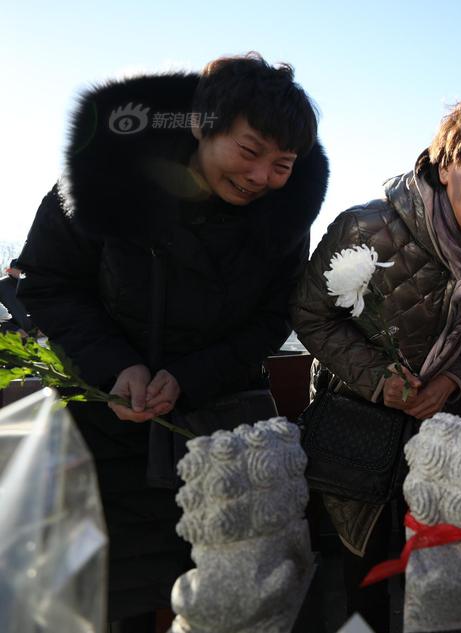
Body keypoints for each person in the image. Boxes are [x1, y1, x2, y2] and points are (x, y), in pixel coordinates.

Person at [16, 53, 328, 629]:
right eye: (249, 151)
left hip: (218, 432)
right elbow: (51, 282)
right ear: (202, 126)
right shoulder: (104, 182)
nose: (261, 177)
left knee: (224, 600)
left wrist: (190, 377)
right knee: (110, 597)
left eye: (282, 164)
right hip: (106, 430)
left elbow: (270, 319)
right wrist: (115, 367)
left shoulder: (283, 216)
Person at [291, 85, 461, 632]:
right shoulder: (366, 228)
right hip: (356, 429)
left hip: (434, 437)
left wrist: (453, 379)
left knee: (433, 562)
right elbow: (311, 314)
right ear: (449, 161)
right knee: (359, 574)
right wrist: (375, 377)